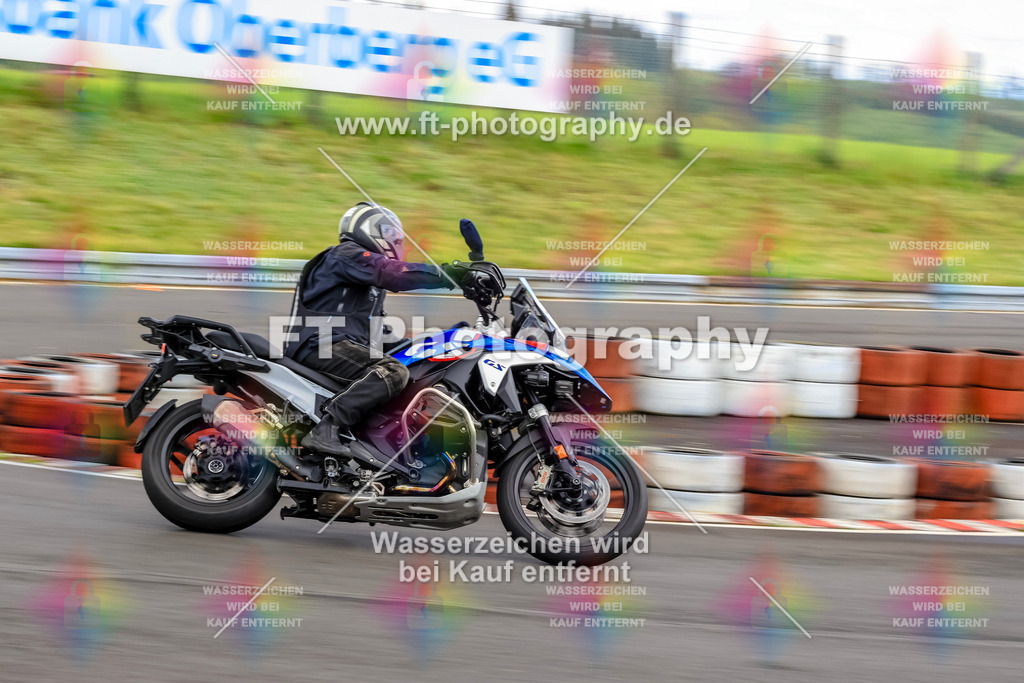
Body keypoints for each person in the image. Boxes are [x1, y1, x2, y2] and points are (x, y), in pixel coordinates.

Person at [287, 202, 495, 457]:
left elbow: (386, 340)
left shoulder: (363, 283)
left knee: (412, 367)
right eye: (388, 232)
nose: (395, 240)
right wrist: (450, 273)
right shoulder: (345, 255)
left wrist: (447, 339)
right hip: (320, 344)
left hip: (341, 346)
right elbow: (391, 272)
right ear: (367, 229)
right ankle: (326, 429)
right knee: (392, 372)